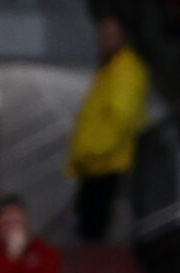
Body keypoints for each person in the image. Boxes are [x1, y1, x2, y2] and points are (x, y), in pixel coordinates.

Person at [71, 14, 151, 243]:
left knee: (97, 226)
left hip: (107, 161)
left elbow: (121, 116)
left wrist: (97, 150)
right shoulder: (111, 68)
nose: (104, 40)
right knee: (89, 222)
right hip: (96, 161)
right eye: (102, 35)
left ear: (123, 37)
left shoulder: (125, 69)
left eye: (110, 35)